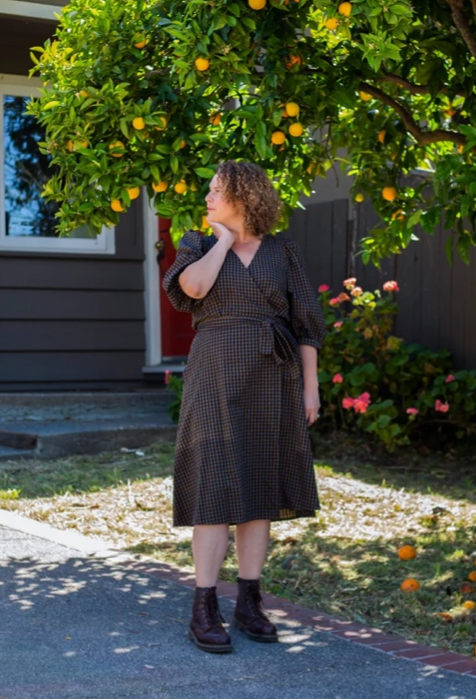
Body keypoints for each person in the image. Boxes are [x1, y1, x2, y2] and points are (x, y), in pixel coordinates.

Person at [162, 160, 325, 654]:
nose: (207, 198)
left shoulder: (282, 252)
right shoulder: (197, 243)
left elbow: (306, 324)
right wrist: (224, 241)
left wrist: (310, 387)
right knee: (214, 481)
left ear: (243, 195)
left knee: (260, 484)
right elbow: (191, 290)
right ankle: (204, 606)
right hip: (215, 372)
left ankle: (249, 600)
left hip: (273, 376)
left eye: (217, 191)